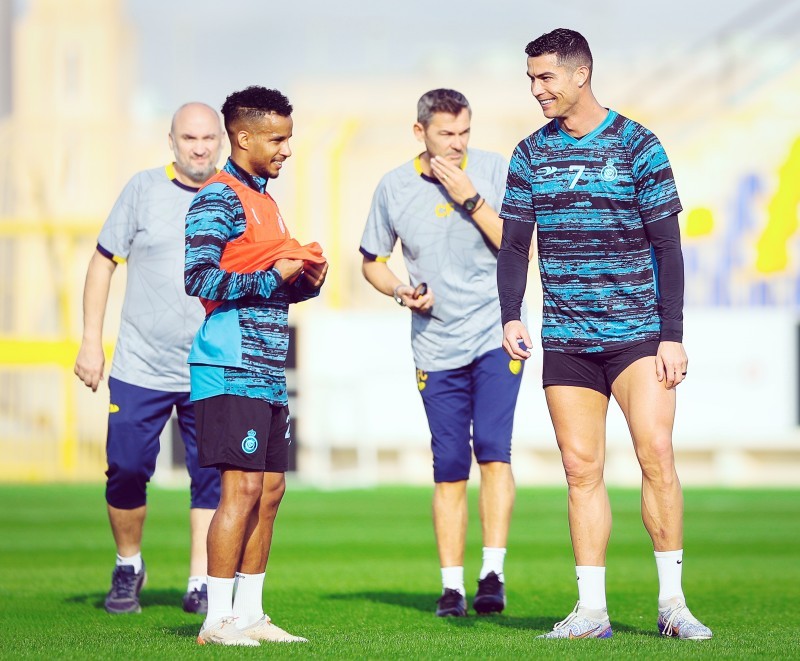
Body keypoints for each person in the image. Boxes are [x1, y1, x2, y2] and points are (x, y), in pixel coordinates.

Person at [497, 28, 712, 640]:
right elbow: (514, 246)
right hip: (567, 338)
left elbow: (668, 248)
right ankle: (591, 611)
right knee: (580, 468)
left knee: (656, 454)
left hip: (639, 334)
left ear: (580, 74)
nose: (537, 89)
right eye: (531, 79)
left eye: (546, 77)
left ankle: (672, 605)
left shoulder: (638, 144)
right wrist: (511, 313)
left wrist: (672, 333)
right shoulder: (528, 154)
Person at [360, 88, 524, 618]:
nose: (457, 143)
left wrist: (472, 199)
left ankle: (492, 575)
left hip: (496, 334)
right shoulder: (394, 186)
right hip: (434, 345)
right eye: (446, 134)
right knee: (449, 463)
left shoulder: (494, 170)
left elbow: (519, 247)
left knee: (494, 449)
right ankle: (451, 587)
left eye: (464, 132)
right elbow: (372, 261)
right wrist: (400, 291)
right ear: (420, 132)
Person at [184, 86, 327, 647]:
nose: (286, 149)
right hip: (229, 365)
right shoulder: (218, 198)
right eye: (277, 139)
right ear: (243, 138)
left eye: (288, 137)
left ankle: (250, 614)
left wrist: (305, 282)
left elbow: (272, 285)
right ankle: (216, 620)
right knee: (240, 491)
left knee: (269, 493)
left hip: (267, 370)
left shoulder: (266, 201)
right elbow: (198, 278)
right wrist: (273, 276)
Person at [74, 103, 224, 615]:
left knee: (211, 476)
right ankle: (128, 565)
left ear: (222, 141)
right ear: (172, 141)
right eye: (189, 138)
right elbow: (102, 263)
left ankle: (202, 582)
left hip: (211, 366)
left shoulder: (235, 195)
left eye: (208, 138)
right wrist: (90, 340)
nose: (199, 148)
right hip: (140, 365)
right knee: (126, 468)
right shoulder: (142, 189)